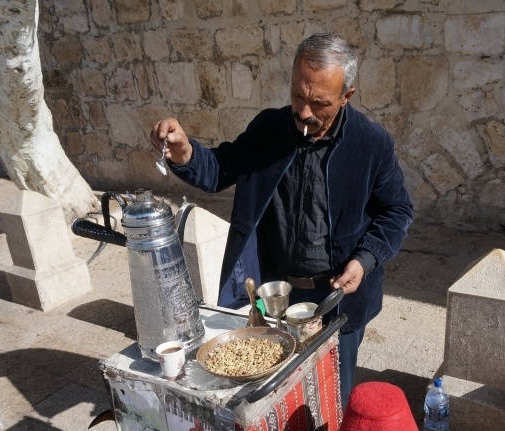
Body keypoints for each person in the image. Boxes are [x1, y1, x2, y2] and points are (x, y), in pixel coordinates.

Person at [151, 33, 413, 407]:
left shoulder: (372, 144)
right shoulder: (269, 129)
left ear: (346, 96)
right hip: (276, 296)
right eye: (297, 96)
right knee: (271, 397)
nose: (304, 112)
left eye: (320, 102)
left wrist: (365, 259)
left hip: (337, 298)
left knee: (331, 398)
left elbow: (397, 210)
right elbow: (219, 170)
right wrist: (184, 151)